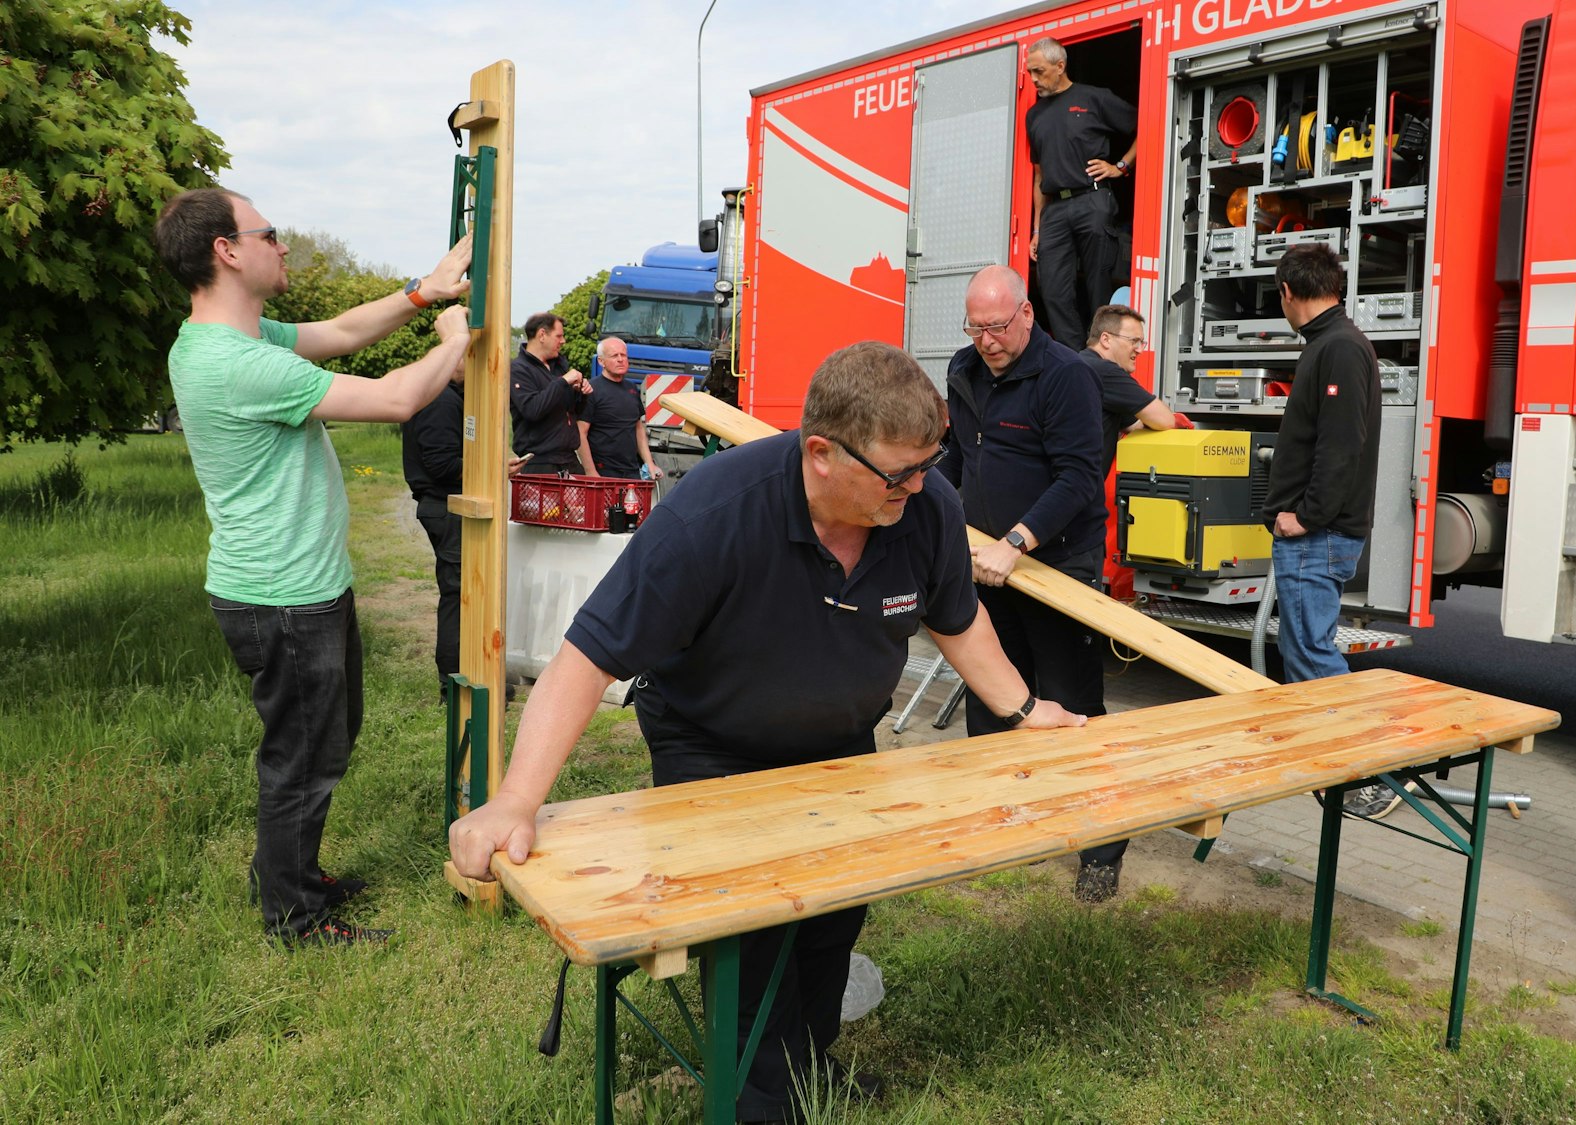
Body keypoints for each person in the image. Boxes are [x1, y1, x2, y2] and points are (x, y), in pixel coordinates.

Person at [449, 341, 1086, 1123]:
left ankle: (806, 1066)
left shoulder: (926, 505)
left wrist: (1024, 710)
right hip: (712, 741)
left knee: (833, 915)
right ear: (820, 453)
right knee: (751, 929)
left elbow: (957, 618)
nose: (919, 485)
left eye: (929, 464)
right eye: (899, 474)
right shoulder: (713, 513)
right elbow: (586, 657)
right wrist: (516, 798)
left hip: (840, 745)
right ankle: (759, 1100)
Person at [153, 187, 472, 946]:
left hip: (298, 589)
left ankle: (287, 871)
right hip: (283, 598)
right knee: (302, 757)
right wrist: (455, 340)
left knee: (322, 740)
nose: (284, 244)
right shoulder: (235, 363)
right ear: (227, 251)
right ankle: (293, 916)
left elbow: (340, 331)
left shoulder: (238, 339)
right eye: (270, 234)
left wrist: (423, 291)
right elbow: (396, 399)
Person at [940, 265, 1116, 900]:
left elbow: (1078, 477)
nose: (986, 340)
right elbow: (959, 459)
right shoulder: (963, 369)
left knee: (1071, 705)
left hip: (1055, 567)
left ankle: (1100, 850)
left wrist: (1016, 542)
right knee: (994, 696)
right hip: (985, 565)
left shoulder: (1066, 376)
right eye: (975, 328)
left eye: (996, 327)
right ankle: (1002, 830)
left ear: (1026, 314)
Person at [1260, 244, 1393, 820]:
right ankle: (1334, 769)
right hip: (1318, 533)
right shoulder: (1333, 343)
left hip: (1317, 535)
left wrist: (1307, 515)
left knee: (1313, 656)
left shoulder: (1337, 347)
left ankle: (1371, 778)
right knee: (1305, 652)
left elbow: (1341, 447)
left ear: (1288, 292)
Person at [1024, 37, 1137, 350]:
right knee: (1053, 290)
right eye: (1030, 72)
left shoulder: (1094, 98)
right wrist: (1037, 229)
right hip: (1054, 210)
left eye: (1039, 71)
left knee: (1098, 286)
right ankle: (1076, 356)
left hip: (1093, 199)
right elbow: (1038, 175)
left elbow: (1147, 125)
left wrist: (1121, 166)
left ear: (1060, 66)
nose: (1033, 79)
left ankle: (1101, 355)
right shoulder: (1034, 115)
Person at [402, 357, 467, 701]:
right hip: (445, 507)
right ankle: (452, 685)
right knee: (457, 594)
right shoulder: (440, 400)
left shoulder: (448, 395)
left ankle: (468, 674)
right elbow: (442, 465)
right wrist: (492, 466)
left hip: (448, 506)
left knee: (464, 592)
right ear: (456, 360)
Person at [1080, 303, 1186, 478]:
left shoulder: (1083, 363)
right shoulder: (1105, 371)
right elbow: (1165, 420)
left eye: (1141, 342)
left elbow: (1134, 425)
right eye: (1133, 341)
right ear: (1106, 339)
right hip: (1077, 487)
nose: (1140, 350)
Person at [510, 312, 590, 474]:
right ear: (542, 335)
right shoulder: (518, 369)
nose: (563, 341)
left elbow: (574, 412)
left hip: (569, 460)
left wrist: (581, 393)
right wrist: (562, 382)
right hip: (539, 463)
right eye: (559, 336)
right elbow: (532, 409)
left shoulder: (559, 366)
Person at [577, 337, 658, 480]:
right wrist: (591, 472)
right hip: (603, 473)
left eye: (623, 355)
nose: (620, 359)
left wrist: (649, 463)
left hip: (631, 472)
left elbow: (638, 428)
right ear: (601, 361)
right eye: (614, 356)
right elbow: (580, 433)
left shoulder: (632, 388)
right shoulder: (591, 390)